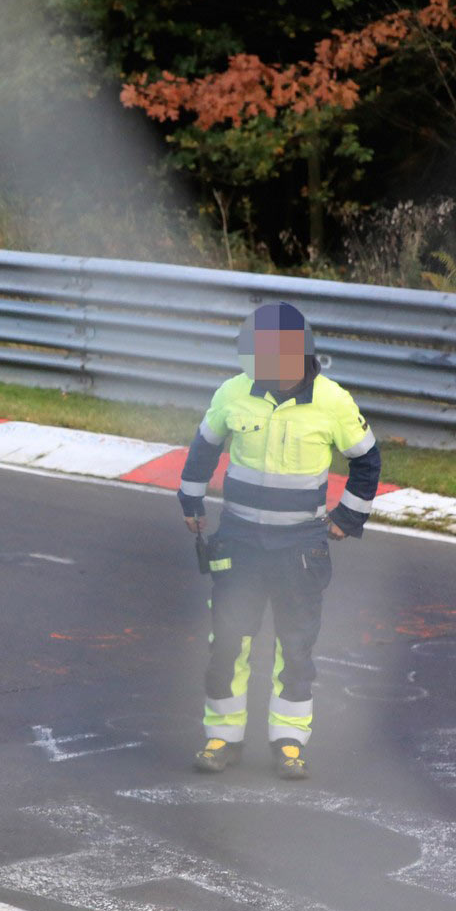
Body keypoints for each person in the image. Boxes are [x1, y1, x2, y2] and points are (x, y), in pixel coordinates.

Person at [179, 302, 381, 779]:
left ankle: (289, 741)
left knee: (295, 646)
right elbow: (204, 447)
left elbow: (368, 461)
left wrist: (347, 519)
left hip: (300, 548)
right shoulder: (234, 392)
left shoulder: (332, 401)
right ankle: (221, 737)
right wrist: (190, 503)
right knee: (228, 640)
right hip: (240, 540)